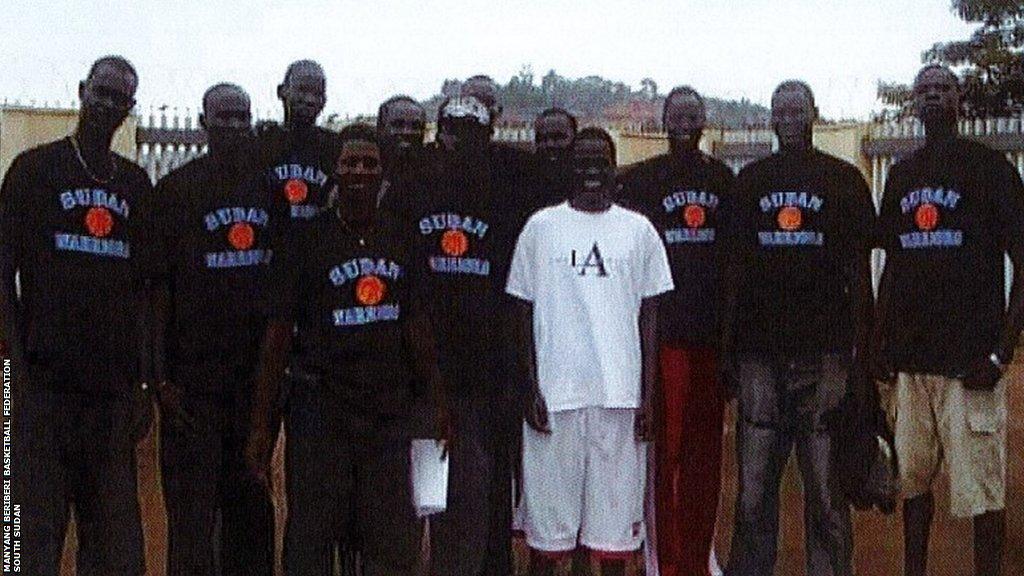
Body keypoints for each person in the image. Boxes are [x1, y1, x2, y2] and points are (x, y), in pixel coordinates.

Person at [246, 124, 451, 576]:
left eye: (369, 163)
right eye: (350, 162)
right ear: (335, 170)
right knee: (311, 541)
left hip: (386, 414)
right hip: (320, 414)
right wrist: (262, 425)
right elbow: (278, 336)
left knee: (391, 542)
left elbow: (416, 325)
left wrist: (437, 401)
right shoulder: (306, 240)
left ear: (383, 173)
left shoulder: (402, 237)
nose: (359, 170)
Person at [1, 55, 152, 576]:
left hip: (109, 396)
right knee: (22, 537)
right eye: (101, 93)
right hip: (40, 387)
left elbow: (146, 294)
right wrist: (11, 373)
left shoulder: (133, 185)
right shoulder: (33, 171)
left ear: (130, 109)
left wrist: (143, 385)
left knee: (113, 547)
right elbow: (2, 278)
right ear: (82, 90)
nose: (108, 105)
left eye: (120, 99)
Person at [872, 64, 1024, 576]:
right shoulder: (903, 174)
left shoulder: (991, 169)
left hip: (970, 366)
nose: (933, 98)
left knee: (982, 493)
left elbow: (1023, 265)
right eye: (924, 91)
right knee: (913, 488)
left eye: (943, 90)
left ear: (959, 101)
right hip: (913, 364)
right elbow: (892, 263)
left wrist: (1001, 353)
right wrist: (881, 343)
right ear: (914, 104)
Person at [721, 80, 874, 576]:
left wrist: (863, 354)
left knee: (827, 495)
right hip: (759, 355)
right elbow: (734, 273)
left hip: (826, 355)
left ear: (814, 114)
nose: (788, 118)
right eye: (779, 110)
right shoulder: (749, 183)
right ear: (769, 118)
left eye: (797, 109)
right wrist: (729, 351)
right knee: (753, 492)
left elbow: (860, 274)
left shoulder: (845, 180)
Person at [508, 127, 673, 576]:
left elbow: (650, 318)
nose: (592, 171)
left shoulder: (639, 231)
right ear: (569, 168)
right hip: (554, 401)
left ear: (614, 168)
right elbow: (520, 311)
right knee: (547, 539)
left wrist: (647, 396)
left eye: (601, 161)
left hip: (618, 402)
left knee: (613, 539)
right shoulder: (540, 228)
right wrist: (529, 387)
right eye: (583, 161)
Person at [148, 83, 275, 576]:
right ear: (203, 123)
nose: (232, 126)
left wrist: (270, 396)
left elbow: (282, 307)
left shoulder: (270, 196)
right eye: (222, 117)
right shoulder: (177, 192)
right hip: (191, 392)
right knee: (192, 526)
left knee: (251, 519)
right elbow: (156, 294)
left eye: (241, 117)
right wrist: (160, 381)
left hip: (251, 392)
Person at [619, 86, 735, 576]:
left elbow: (734, 265)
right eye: (676, 116)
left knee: (706, 456)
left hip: (709, 335)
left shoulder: (723, 181)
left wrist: (731, 339)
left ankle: (698, 557)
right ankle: (665, 561)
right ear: (663, 123)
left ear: (705, 122)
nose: (685, 124)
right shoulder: (644, 181)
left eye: (694, 116)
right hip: (664, 336)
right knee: (665, 456)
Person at [411, 94, 528, 576]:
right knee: (421, 494)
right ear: (441, 134)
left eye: (471, 131)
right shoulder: (414, 192)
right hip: (423, 367)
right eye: (452, 129)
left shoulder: (505, 199)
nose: (460, 139)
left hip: (484, 371)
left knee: (483, 492)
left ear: (487, 138)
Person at [259, 59, 343, 233]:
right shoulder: (262, 142)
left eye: (318, 93)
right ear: (282, 91)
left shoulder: (335, 146)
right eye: (302, 90)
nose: (310, 100)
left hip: (318, 247)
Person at [376, 95, 427, 210]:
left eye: (415, 126)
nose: (407, 132)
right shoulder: (365, 170)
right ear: (381, 129)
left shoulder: (433, 172)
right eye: (398, 124)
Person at [531, 107, 578, 209]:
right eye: (542, 139)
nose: (550, 144)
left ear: (575, 138)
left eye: (558, 137)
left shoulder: (586, 187)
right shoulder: (522, 187)